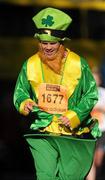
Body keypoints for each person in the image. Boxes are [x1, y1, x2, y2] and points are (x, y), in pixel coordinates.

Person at [13, 7, 101, 180]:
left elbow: (91, 93)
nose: (47, 47)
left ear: (61, 42)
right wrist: (25, 103)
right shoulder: (30, 64)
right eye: (43, 43)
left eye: (52, 43)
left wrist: (75, 114)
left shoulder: (78, 64)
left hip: (72, 133)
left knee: (70, 177)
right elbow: (20, 92)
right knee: (45, 176)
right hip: (43, 132)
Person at [87, 67, 105, 180]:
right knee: (91, 159)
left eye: (95, 78)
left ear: (99, 80)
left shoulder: (103, 92)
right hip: (89, 129)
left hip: (102, 129)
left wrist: (100, 108)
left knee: (98, 160)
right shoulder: (86, 94)